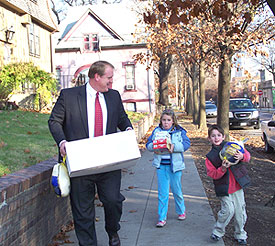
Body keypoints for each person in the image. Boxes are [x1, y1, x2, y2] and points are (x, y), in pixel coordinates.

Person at [48, 61, 133, 246]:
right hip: (81, 162)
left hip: (109, 161)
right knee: (82, 210)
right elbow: (54, 121)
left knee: (113, 201)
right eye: (109, 78)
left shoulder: (113, 96)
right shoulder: (69, 96)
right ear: (97, 77)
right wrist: (62, 141)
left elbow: (122, 118)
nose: (111, 82)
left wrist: (128, 129)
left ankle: (113, 231)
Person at [206, 125, 251, 245]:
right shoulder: (210, 157)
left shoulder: (232, 146)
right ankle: (218, 231)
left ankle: (240, 234)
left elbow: (247, 156)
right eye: (213, 136)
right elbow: (212, 174)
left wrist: (242, 156)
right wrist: (222, 168)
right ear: (209, 138)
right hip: (224, 187)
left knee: (240, 212)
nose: (216, 138)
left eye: (219, 135)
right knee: (228, 210)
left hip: (237, 185)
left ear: (223, 136)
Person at [146, 108, 190, 227]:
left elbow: (186, 144)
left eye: (168, 120)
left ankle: (181, 211)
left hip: (175, 167)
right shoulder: (156, 131)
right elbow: (148, 145)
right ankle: (162, 218)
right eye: (164, 120)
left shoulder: (179, 132)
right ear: (161, 120)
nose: (166, 122)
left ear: (173, 121)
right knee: (162, 193)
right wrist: (154, 146)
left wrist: (174, 147)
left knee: (177, 190)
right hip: (161, 166)